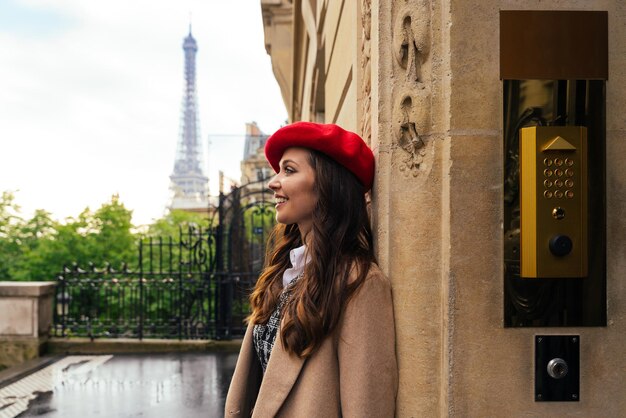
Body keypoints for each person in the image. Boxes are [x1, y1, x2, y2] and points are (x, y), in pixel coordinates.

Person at [225, 122, 397, 417]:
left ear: (328, 184)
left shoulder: (360, 284)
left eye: (289, 170)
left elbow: (367, 408)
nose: (273, 182)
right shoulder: (286, 271)